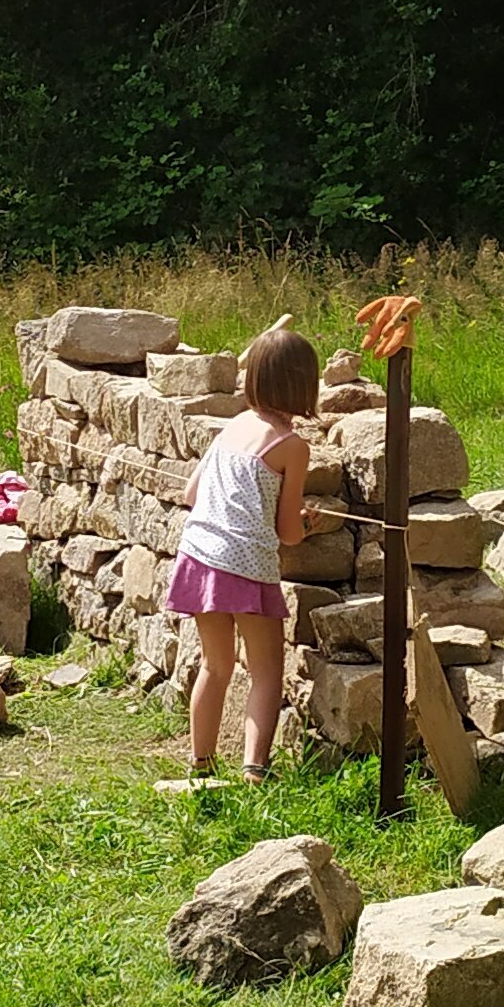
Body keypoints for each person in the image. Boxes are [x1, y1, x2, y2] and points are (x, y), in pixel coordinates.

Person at [168, 328, 319, 781]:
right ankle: (255, 769)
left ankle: (201, 764)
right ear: (302, 386)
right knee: (266, 669)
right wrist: (312, 521)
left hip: (198, 555)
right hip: (246, 567)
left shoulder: (234, 425)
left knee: (216, 665)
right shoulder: (291, 446)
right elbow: (289, 533)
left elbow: (192, 491)